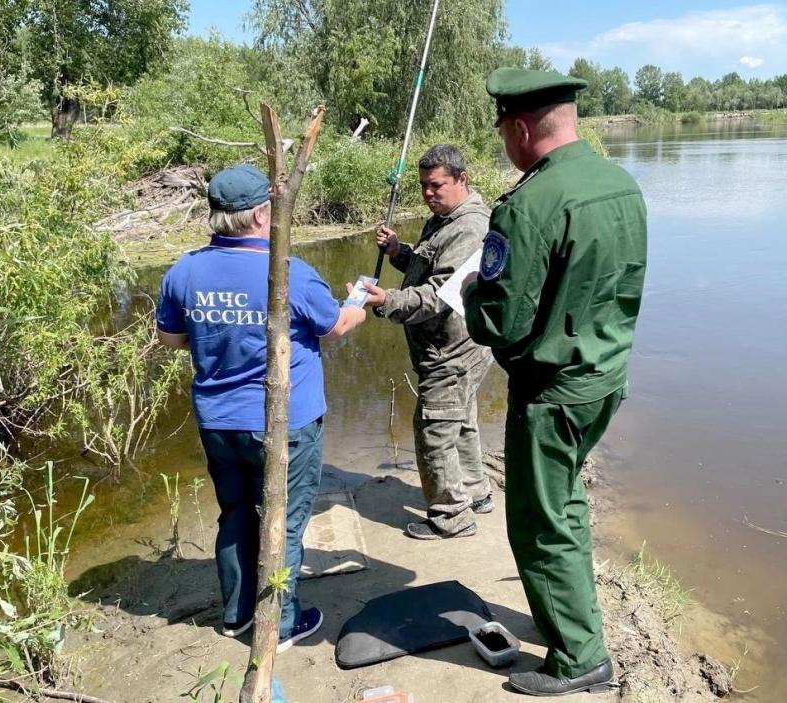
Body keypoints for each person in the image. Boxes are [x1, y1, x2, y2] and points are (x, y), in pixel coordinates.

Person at [462, 68, 647, 696]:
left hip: (553, 392)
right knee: (564, 504)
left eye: (501, 132)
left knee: (540, 522)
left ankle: (577, 659)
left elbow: (498, 322)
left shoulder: (528, 204)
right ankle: (577, 622)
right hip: (605, 379)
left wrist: (469, 290)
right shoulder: (620, 184)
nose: (502, 144)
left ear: (519, 127)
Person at [155, 164, 366, 652]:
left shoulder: (183, 270)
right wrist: (358, 307)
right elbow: (332, 327)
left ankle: (236, 614)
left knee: (235, 514)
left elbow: (170, 337)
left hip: (217, 421)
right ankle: (283, 623)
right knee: (284, 521)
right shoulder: (287, 269)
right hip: (282, 423)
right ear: (262, 214)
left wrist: (220, 333)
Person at [359, 144, 494, 540]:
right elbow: (428, 264)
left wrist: (386, 301)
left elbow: (438, 295)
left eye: (436, 185)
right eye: (423, 186)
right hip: (454, 346)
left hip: (451, 350)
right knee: (461, 422)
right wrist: (400, 253)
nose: (428, 193)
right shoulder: (446, 218)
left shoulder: (470, 227)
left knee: (433, 430)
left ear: (462, 179)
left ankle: (452, 517)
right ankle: (476, 493)